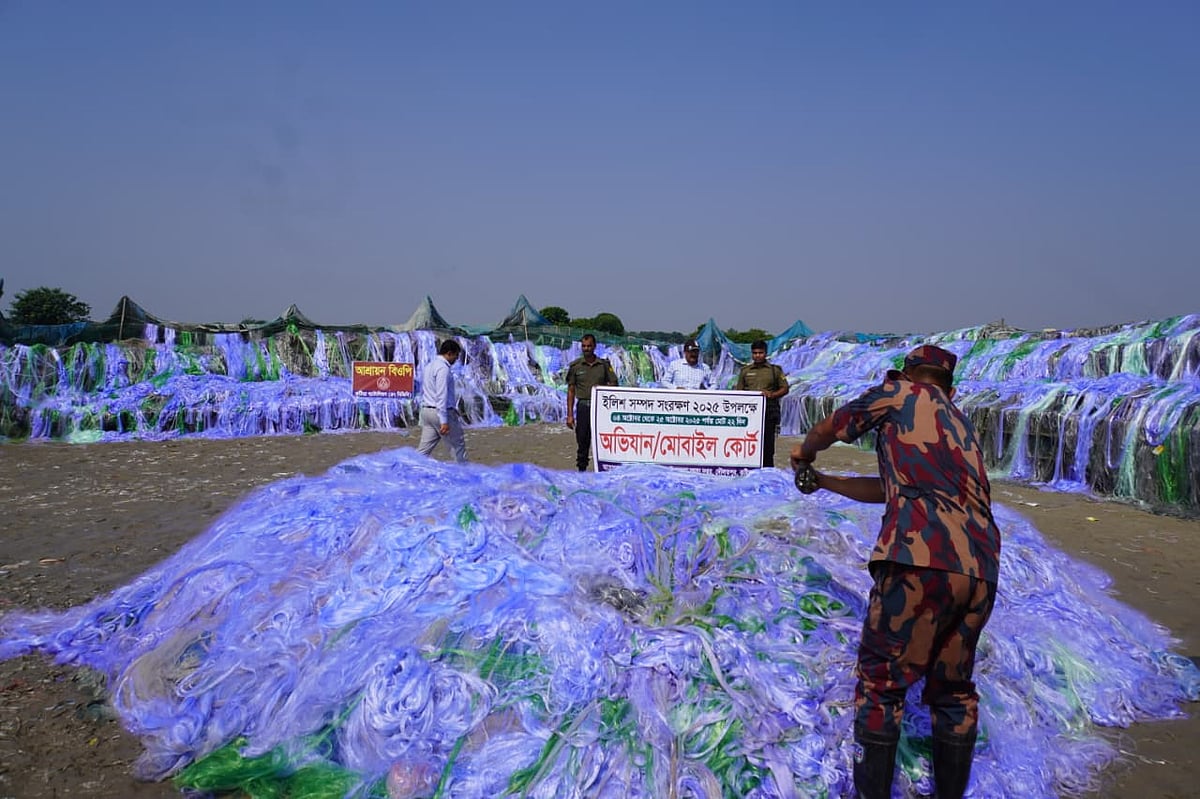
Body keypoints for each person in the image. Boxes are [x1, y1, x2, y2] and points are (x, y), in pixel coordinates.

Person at [789, 345, 1001, 799]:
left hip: (917, 561)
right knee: (953, 691)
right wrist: (825, 483)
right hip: (980, 567)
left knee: (881, 685)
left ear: (908, 375)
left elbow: (834, 427)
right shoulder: (961, 424)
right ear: (951, 387)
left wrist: (804, 454)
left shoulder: (898, 395)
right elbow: (890, 491)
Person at [565, 333, 618, 471]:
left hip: (601, 409)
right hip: (583, 407)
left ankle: (604, 469)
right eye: (584, 346)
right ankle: (582, 470)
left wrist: (602, 388)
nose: (586, 348)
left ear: (594, 346)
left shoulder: (604, 365)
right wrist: (570, 415)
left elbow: (614, 384)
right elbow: (570, 391)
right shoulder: (575, 366)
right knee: (582, 440)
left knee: (603, 441)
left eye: (589, 346)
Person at [734, 340, 788, 467]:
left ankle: (767, 469)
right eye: (755, 353)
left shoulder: (775, 371)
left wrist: (772, 395)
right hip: (749, 413)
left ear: (765, 353)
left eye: (760, 353)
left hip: (768, 411)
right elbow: (739, 392)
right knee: (749, 440)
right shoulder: (745, 371)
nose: (757, 355)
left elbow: (785, 388)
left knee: (767, 443)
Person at [416, 338, 468, 464]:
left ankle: (409, 470)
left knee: (423, 450)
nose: (456, 359)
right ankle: (463, 475)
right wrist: (444, 421)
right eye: (456, 355)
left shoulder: (429, 366)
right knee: (457, 446)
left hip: (427, 411)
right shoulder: (443, 369)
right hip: (440, 413)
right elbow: (441, 394)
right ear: (449, 353)